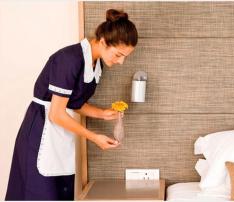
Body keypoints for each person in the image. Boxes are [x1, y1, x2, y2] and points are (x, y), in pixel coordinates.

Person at [5, 9, 138, 200]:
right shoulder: (68, 60)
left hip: (59, 133)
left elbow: (74, 103)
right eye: (118, 54)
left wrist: (102, 113)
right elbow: (56, 114)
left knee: (61, 193)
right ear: (102, 42)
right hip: (40, 132)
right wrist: (94, 137)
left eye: (125, 56)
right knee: (38, 193)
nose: (121, 62)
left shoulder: (95, 63)